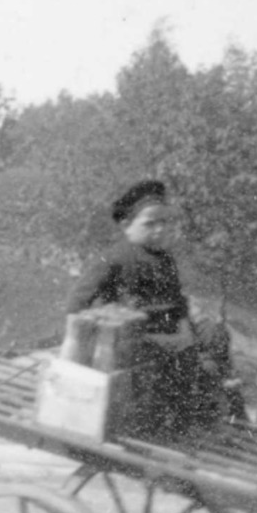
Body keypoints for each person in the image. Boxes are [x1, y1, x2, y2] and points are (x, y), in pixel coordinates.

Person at [65, 180, 229, 433]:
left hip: (169, 337)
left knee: (205, 363)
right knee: (159, 372)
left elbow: (177, 303)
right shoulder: (116, 257)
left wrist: (187, 334)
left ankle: (195, 424)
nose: (159, 230)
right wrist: (82, 338)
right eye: (150, 224)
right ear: (126, 225)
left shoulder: (166, 260)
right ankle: (159, 426)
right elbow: (78, 300)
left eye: (164, 223)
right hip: (133, 339)